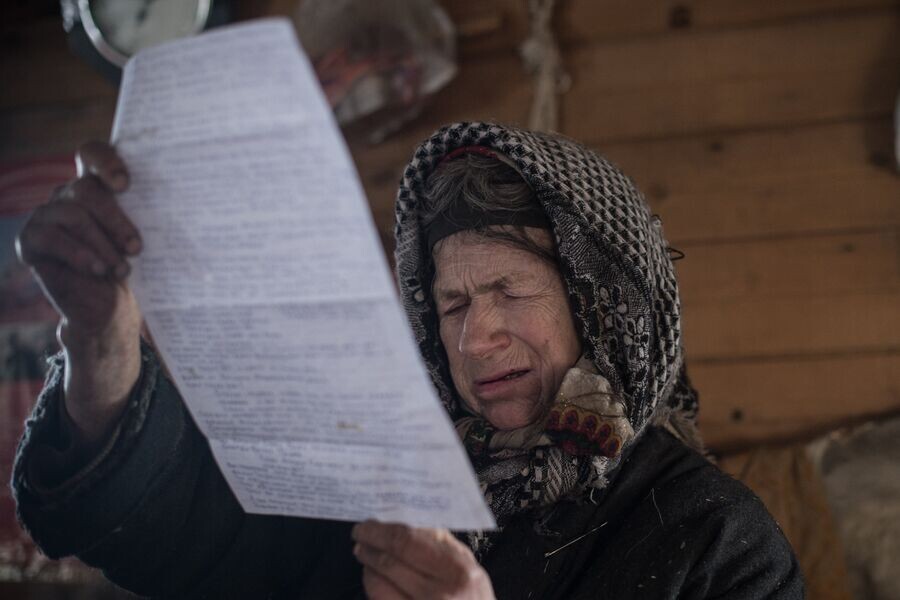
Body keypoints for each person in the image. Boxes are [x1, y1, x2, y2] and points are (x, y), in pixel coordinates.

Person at [12, 122, 804, 599]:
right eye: (452, 305)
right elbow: (171, 537)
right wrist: (101, 335)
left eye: (509, 290)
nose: (475, 339)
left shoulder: (716, 543)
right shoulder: (383, 478)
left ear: (603, 308)